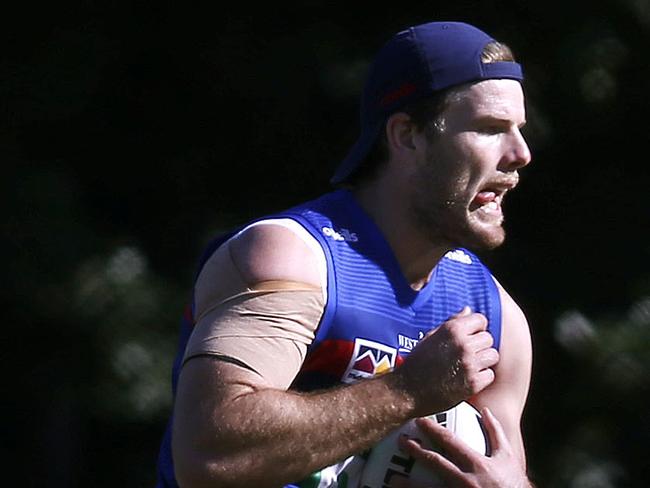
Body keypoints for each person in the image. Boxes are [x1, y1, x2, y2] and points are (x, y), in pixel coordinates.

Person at [156, 20, 534, 488]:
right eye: (490, 129)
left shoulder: (496, 317)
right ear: (407, 135)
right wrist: (406, 390)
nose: (521, 154)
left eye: (519, 130)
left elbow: (508, 473)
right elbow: (207, 458)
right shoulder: (292, 259)